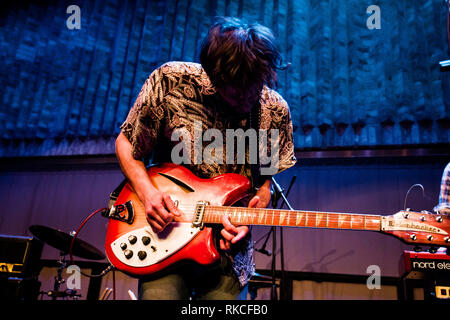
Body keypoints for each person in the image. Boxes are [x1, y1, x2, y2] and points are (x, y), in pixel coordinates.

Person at [115, 16, 296, 300]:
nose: (247, 97)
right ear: (213, 74)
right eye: (236, 89)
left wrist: (246, 220)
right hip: (165, 235)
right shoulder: (170, 81)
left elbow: (263, 188)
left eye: (254, 85)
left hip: (227, 254)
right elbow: (127, 143)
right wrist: (148, 193)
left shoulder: (274, 111)